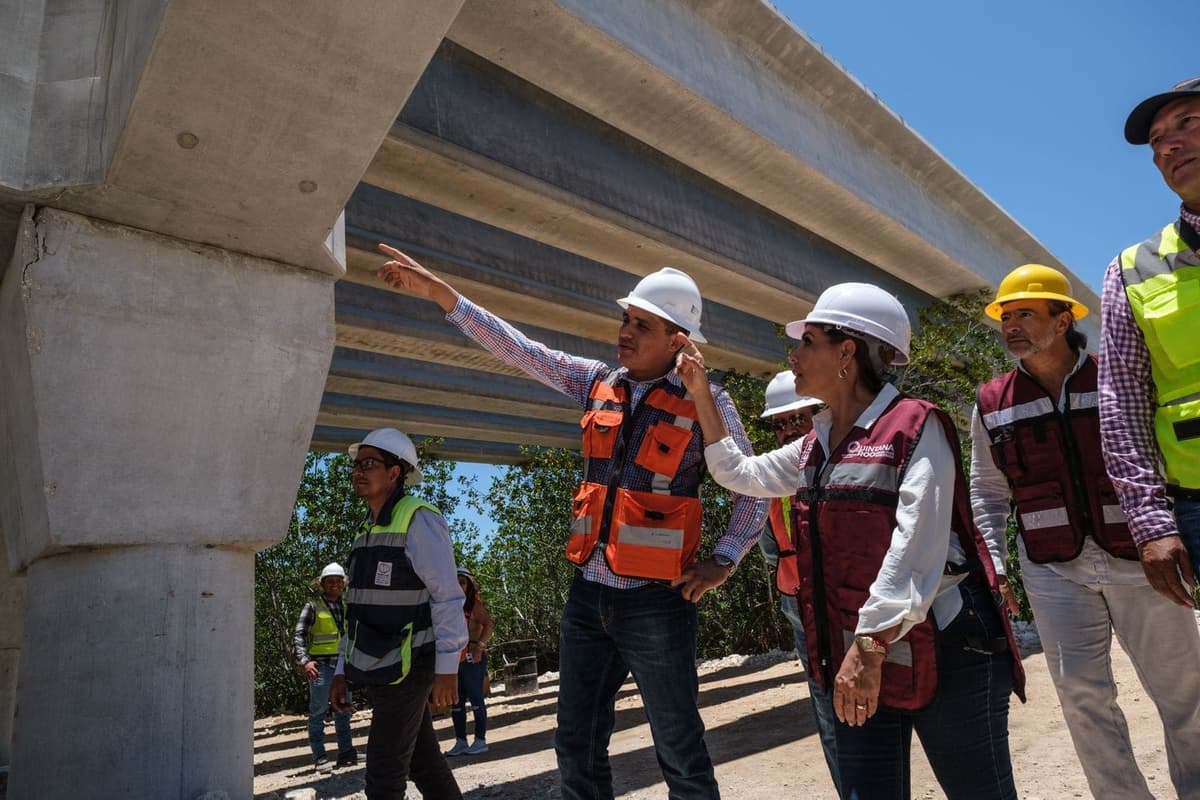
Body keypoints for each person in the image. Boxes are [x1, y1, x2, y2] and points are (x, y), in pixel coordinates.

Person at [376, 244, 767, 800]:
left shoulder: (709, 402)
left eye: (641, 325)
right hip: (588, 598)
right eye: (625, 320)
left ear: (679, 342)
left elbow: (750, 488)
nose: (624, 333)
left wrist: (725, 559)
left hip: (657, 603)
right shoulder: (594, 381)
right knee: (575, 745)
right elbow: (521, 351)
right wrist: (444, 295)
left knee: (678, 747)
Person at [675, 282, 1024, 800]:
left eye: (808, 340)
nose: (793, 354)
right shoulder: (817, 443)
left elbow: (915, 549)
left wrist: (868, 644)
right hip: (859, 650)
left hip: (947, 646)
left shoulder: (915, 426)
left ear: (846, 352)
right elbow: (737, 472)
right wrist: (702, 393)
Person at [970, 264, 1200, 799]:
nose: (1011, 326)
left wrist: (1168, 531)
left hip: (1142, 559)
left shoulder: (1120, 380)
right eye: (1005, 316)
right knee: (1081, 696)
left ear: (1064, 318)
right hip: (1053, 570)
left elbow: (1161, 457)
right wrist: (996, 566)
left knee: (1184, 694)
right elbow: (987, 492)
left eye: (1025, 312)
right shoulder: (990, 404)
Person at [1102, 76, 1200, 609]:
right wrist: (1149, 522)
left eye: (1187, 123)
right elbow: (1123, 405)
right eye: (1158, 139)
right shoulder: (1133, 269)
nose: (1167, 145)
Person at [329, 427, 468, 800]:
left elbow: (447, 597)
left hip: (410, 666)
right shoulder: (365, 532)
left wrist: (447, 669)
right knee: (423, 762)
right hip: (382, 666)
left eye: (369, 463)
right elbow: (354, 612)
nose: (359, 471)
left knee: (384, 775)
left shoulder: (419, 519)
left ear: (396, 472)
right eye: (357, 464)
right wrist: (341, 671)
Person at [754, 371, 839, 793]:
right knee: (826, 704)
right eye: (781, 423)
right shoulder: (775, 478)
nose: (787, 429)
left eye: (796, 418)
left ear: (820, 413)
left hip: (843, 599)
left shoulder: (844, 460)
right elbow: (772, 546)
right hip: (799, 600)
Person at [293, 562, 357, 772]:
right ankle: (320, 757)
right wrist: (305, 661)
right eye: (330, 582)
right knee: (318, 711)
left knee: (343, 710)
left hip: (343, 665)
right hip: (320, 666)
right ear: (322, 584)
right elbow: (299, 635)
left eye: (339, 581)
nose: (335, 585)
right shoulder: (312, 606)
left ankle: (346, 753)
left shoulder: (347, 606)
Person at [445, 568, 494, 757]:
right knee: (456, 702)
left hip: (473, 659)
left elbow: (489, 624)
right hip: (454, 660)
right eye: (455, 581)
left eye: (462, 582)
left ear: (469, 585)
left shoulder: (474, 606)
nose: (459, 585)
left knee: (476, 699)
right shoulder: (449, 606)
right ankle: (461, 741)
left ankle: (480, 740)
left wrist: (479, 647)